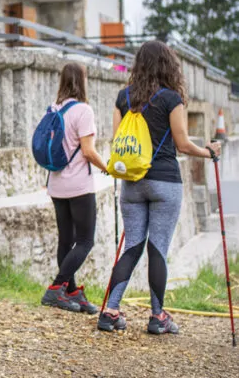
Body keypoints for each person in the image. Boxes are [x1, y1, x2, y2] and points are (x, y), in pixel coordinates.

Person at [97, 40, 221, 335]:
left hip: (131, 182)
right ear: (168, 65)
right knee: (157, 249)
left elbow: (120, 140)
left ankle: (110, 310)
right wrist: (209, 152)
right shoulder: (170, 99)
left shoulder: (122, 98)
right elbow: (182, 143)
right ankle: (157, 317)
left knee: (133, 246)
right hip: (164, 180)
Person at [40, 63, 108, 314]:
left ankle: (70, 292)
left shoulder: (54, 108)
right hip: (79, 185)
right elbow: (88, 151)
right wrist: (107, 167)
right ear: (82, 80)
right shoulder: (83, 110)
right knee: (85, 241)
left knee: (66, 240)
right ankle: (56, 288)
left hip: (56, 185)